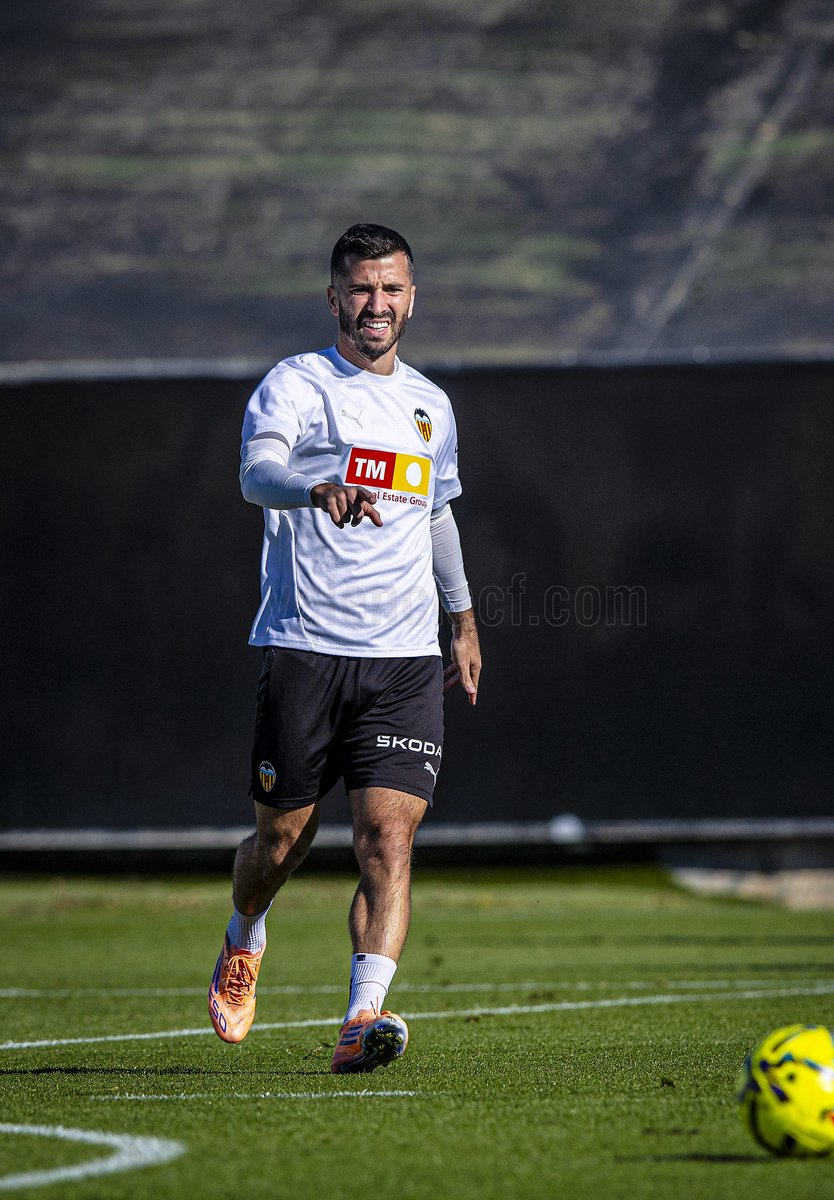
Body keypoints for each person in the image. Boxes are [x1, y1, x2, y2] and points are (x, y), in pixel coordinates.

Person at [208, 223, 481, 1074]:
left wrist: (463, 620)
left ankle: (364, 1017)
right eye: (361, 289)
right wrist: (314, 485)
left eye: (391, 288)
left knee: (388, 840)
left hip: (403, 662)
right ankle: (245, 934)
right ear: (334, 298)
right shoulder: (296, 385)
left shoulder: (431, 405)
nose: (376, 304)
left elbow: (436, 513)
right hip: (305, 649)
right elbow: (256, 474)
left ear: (411, 297)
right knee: (280, 845)